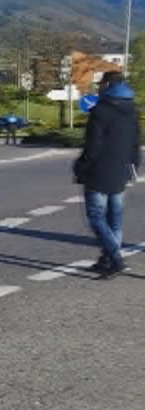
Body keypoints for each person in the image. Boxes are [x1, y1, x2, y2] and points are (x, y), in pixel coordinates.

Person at [74, 71, 142, 278]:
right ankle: (107, 259)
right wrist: (134, 165)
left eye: (101, 83)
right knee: (115, 218)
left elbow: (93, 144)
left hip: (99, 171)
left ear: (108, 84)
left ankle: (115, 258)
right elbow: (135, 142)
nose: (99, 86)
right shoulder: (132, 109)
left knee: (96, 217)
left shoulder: (101, 110)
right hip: (121, 170)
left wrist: (82, 165)